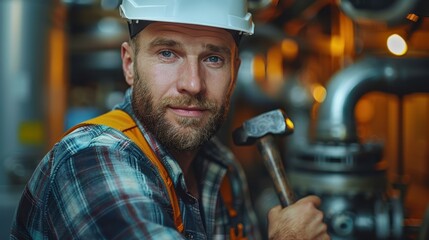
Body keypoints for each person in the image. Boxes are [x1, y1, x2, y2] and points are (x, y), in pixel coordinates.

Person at [11, 0, 329, 239]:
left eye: (213, 58)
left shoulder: (223, 171)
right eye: (167, 53)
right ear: (129, 64)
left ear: (234, 72)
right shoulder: (92, 160)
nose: (193, 83)